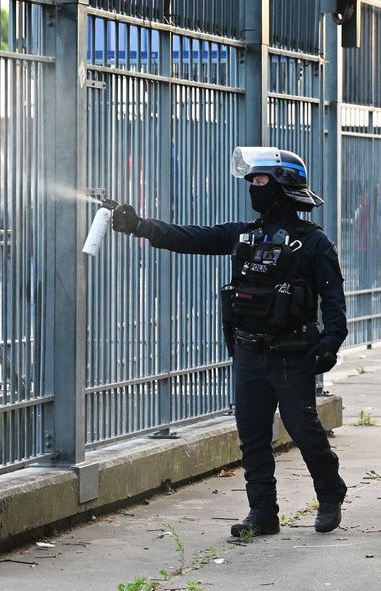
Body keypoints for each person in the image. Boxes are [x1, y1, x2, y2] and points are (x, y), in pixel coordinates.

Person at [111, 146, 348, 536]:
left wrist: (330, 343)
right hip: (248, 351)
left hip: (290, 354)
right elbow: (192, 238)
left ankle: (329, 492)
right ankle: (263, 512)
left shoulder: (313, 242)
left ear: (283, 184)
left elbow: (333, 299)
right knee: (252, 434)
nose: (253, 187)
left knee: (303, 428)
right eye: (251, 181)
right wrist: (141, 226)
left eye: (260, 180)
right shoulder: (245, 235)